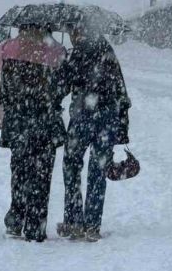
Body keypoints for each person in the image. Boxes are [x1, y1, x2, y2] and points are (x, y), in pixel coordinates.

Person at [0, 24, 66, 242]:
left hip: (18, 121)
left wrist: (1, 104)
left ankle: (15, 220)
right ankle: (35, 226)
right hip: (46, 122)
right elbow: (62, 87)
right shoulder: (57, 52)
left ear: (20, 26)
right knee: (42, 175)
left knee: (19, 171)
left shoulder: (3, 50)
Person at [56, 26, 130, 242]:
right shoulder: (107, 49)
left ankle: (74, 221)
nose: (71, 36)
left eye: (72, 31)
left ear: (79, 31)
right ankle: (92, 226)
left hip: (83, 116)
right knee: (98, 169)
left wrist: (62, 65)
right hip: (107, 117)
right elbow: (120, 88)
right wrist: (122, 124)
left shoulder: (77, 53)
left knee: (71, 165)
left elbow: (62, 85)